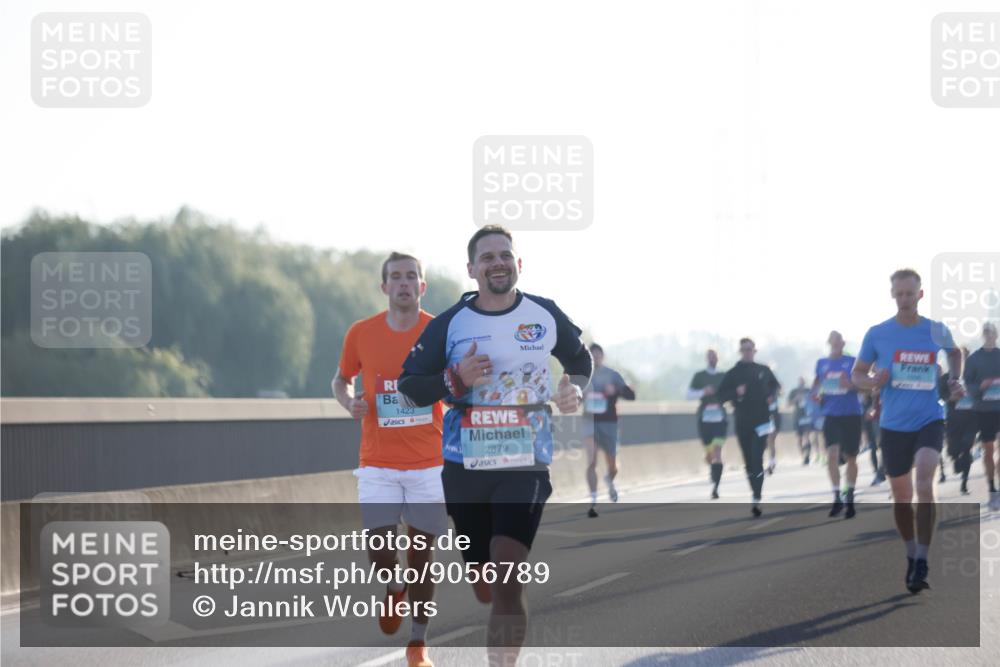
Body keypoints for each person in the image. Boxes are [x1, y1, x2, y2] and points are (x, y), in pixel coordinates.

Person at [398, 225, 592, 667]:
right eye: (486, 258)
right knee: (485, 579)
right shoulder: (451, 323)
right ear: (472, 269)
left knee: (508, 573)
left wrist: (574, 390)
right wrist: (455, 379)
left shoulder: (544, 314)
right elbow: (409, 388)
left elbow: (579, 361)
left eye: (505, 255)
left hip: (526, 461)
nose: (497, 263)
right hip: (465, 466)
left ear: (518, 264)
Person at [332, 252, 446, 667]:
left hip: (429, 463)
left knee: (422, 556)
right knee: (380, 549)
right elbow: (341, 378)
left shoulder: (438, 332)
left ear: (422, 286)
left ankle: (418, 643)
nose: (403, 283)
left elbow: (455, 383)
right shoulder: (361, 333)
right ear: (384, 287)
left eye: (411, 276)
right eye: (395, 277)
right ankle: (395, 587)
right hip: (377, 460)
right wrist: (349, 402)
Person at [851, 268, 963, 594]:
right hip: (893, 425)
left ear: (920, 295)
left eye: (909, 294)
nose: (904, 299)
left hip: (929, 418)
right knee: (902, 497)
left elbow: (955, 353)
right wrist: (871, 382)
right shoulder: (877, 334)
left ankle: (924, 559)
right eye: (899, 294)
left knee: (925, 479)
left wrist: (955, 378)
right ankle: (912, 553)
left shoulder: (935, 330)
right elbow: (858, 374)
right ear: (892, 296)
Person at [718, 338, 780, 517]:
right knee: (748, 462)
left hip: (762, 420)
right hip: (743, 421)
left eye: (750, 349)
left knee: (757, 456)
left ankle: (757, 498)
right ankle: (755, 492)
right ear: (740, 351)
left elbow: (776, 388)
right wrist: (735, 393)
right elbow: (721, 396)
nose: (747, 352)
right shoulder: (733, 373)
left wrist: (771, 396)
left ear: (755, 351)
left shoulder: (763, 370)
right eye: (744, 349)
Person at [813, 331, 866, 519]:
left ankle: (849, 494)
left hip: (851, 414)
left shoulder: (853, 362)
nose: (835, 344)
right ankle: (837, 496)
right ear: (829, 343)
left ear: (843, 344)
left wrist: (852, 385)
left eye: (838, 341)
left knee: (851, 457)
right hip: (831, 416)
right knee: (832, 454)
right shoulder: (821, 363)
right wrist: (817, 394)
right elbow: (816, 385)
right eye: (832, 341)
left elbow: (866, 386)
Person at [584, 343, 636, 517]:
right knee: (591, 462)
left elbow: (631, 396)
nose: (596, 358)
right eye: (592, 355)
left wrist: (617, 390)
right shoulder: (583, 375)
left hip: (609, 423)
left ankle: (609, 479)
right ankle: (593, 500)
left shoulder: (612, 375)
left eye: (598, 355)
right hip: (589, 422)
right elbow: (573, 397)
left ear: (602, 356)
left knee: (612, 465)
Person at [963, 321, 1000, 506]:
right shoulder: (974, 359)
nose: (989, 335)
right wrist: (981, 386)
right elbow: (967, 384)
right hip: (984, 410)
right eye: (985, 332)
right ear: (982, 336)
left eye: (991, 332)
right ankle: (992, 487)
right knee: (988, 450)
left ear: (997, 335)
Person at [687, 349, 727, 499]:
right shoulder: (699, 376)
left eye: (715, 356)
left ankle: (716, 486)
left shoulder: (723, 376)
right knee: (710, 455)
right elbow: (688, 395)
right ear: (706, 359)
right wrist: (703, 392)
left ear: (718, 358)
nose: (712, 359)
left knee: (717, 452)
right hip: (704, 419)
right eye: (710, 357)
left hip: (720, 418)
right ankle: (712, 465)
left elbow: (729, 394)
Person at [941, 348, 976, 496]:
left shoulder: (973, 376)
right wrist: (950, 398)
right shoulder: (945, 378)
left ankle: (964, 484)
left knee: (967, 448)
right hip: (953, 420)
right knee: (954, 450)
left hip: (971, 419)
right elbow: (939, 397)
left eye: (964, 358)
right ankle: (956, 459)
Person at [863, 389, 886, 485]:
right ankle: (878, 472)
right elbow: (866, 395)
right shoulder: (873, 377)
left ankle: (881, 473)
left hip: (890, 414)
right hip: (876, 416)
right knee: (876, 446)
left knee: (885, 446)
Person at [788, 378, 812, 465]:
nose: (801, 383)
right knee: (799, 439)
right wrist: (796, 399)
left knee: (807, 436)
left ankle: (807, 456)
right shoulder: (794, 391)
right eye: (800, 381)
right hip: (797, 416)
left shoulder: (808, 390)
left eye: (803, 381)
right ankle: (803, 455)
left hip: (807, 415)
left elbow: (814, 400)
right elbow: (788, 404)